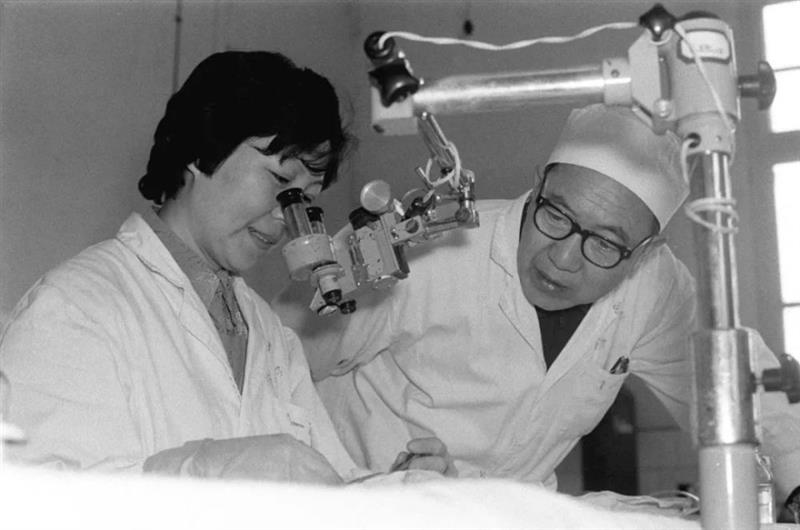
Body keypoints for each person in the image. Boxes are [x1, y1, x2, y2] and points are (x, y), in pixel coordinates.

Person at [274, 104, 800, 500]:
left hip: (513, 513)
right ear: (537, 185)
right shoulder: (428, 244)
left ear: (644, 253)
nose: (563, 258)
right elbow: (273, 363)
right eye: (555, 216)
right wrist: (351, 481)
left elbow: (738, 384)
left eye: (605, 244)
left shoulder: (654, 288)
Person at [0, 50, 453, 483]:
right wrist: (203, 472)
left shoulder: (269, 334)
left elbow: (322, 487)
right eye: (280, 179)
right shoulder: (75, 306)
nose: (288, 217)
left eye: (306, 200)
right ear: (203, 151)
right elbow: (34, 499)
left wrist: (394, 490)